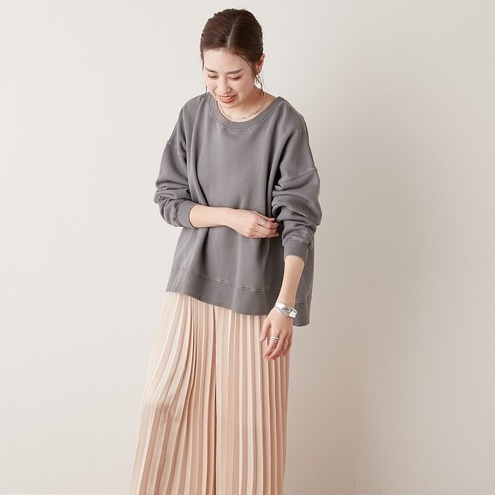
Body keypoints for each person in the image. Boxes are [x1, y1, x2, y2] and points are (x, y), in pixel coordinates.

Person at [128, 8, 322, 495]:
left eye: (234, 75)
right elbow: (169, 200)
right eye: (211, 74)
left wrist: (285, 306)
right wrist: (231, 217)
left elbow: (300, 222)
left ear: (259, 63)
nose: (222, 87)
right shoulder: (193, 115)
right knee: (164, 401)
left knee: (249, 432)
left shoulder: (285, 124)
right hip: (191, 283)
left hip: (257, 297)